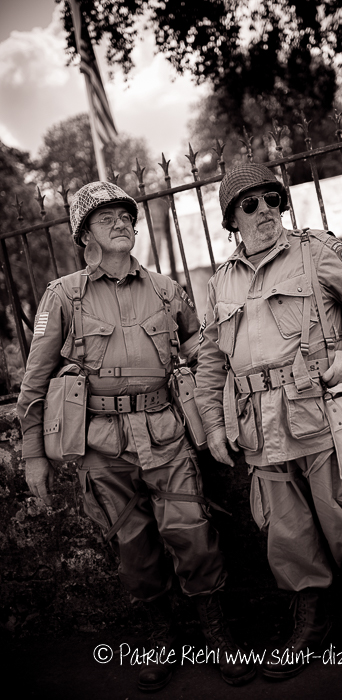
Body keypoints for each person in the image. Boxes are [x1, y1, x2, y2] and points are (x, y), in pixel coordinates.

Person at [17, 181, 255, 692]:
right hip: (100, 445)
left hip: (166, 433)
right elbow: (35, 381)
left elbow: (203, 351)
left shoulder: (167, 290)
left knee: (194, 535)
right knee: (133, 548)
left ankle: (217, 634)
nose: (121, 223)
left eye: (126, 216)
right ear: (85, 235)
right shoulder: (63, 295)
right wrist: (34, 454)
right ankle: (162, 636)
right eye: (106, 218)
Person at [194, 163, 342, 681]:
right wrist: (214, 424)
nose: (266, 210)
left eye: (273, 200)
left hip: (322, 415)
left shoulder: (315, 249)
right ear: (232, 220)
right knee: (286, 534)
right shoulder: (220, 281)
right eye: (251, 204)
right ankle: (311, 622)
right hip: (259, 430)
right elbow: (211, 360)